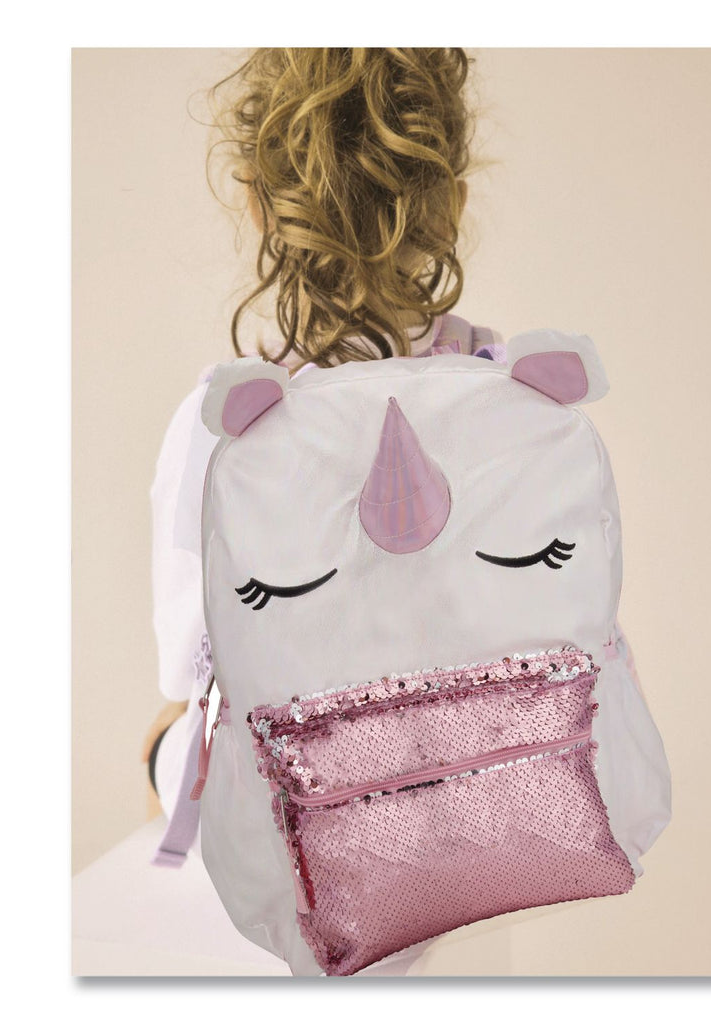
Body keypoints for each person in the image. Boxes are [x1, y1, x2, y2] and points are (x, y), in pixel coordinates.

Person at [142, 46, 498, 874]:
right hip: (482, 787)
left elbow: (187, 660)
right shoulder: (508, 388)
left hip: (299, 818)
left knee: (163, 732)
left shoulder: (225, 420)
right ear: (452, 203)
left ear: (258, 207)